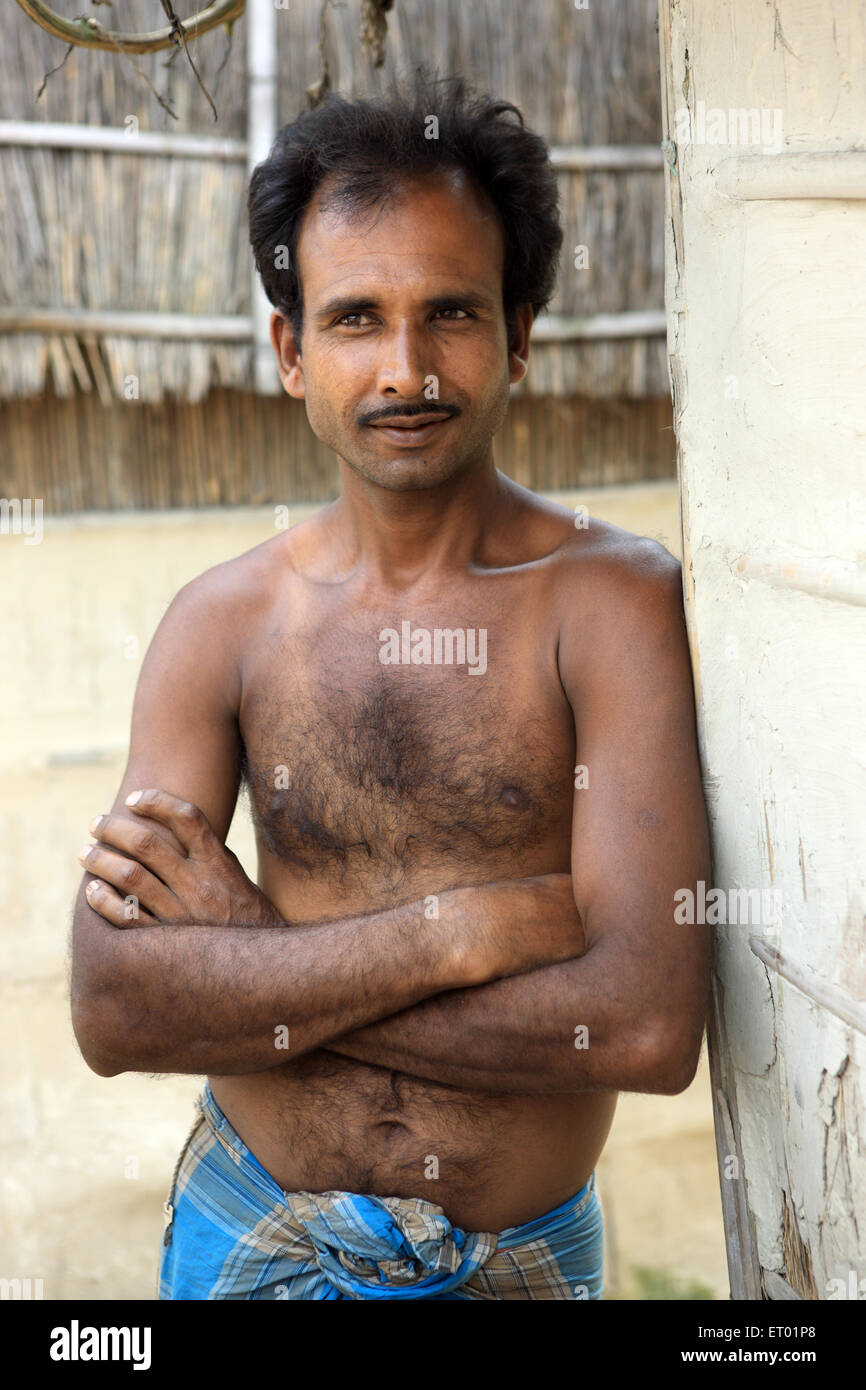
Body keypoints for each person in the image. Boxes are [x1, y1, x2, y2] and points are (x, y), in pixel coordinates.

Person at [70, 70, 711, 1300]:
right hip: (252, 1230)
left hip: (509, 1260)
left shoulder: (610, 606)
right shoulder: (220, 625)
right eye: (355, 316)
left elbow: (641, 1026)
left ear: (519, 331)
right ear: (289, 350)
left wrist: (253, 960)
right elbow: (116, 1006)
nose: (404, 367)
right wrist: (455, 932)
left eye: (452, 314)